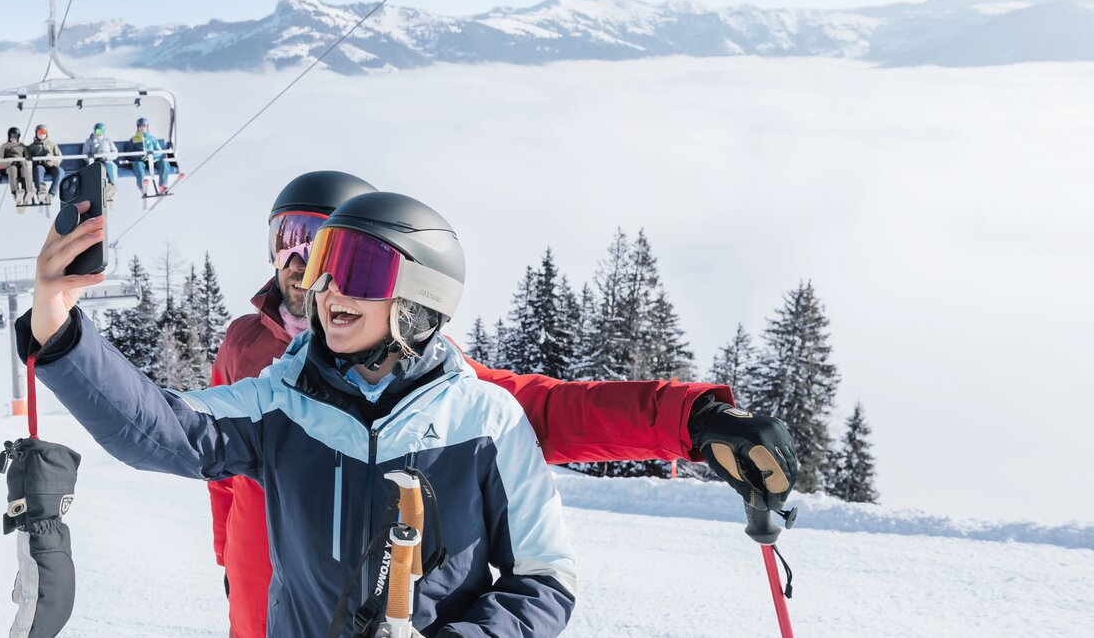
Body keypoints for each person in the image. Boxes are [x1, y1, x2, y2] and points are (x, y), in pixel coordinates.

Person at [211, 171, 800, 638]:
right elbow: (221, 475)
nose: (299, 262)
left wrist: (689, 417)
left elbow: (550, 411)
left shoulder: (424, 377)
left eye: (320, 246)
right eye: (285, 239)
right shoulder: (244, 342)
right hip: (261, 611)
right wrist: (230, 565)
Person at [19, 191, 577, 638]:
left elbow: (544, 578)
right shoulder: (282, 404)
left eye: (357, 271)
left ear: (419, 293)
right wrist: (59, 329)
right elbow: (157, 430)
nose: (329, 288)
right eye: (325, 270)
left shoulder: (485, 421)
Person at [129, 117, 175, 195]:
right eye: (141, 127)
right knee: (138, 165)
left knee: (164, 163)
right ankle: (142, 186)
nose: (143, 128)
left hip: (153, 160)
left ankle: (162, 185)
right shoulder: (133, 139)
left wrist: (153, 156)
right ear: (138, 127)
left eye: (144, 126)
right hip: (141, 161)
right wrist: (139, 157)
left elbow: (159, 151)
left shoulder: (152, 139)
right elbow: (129, 153)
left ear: (147, 127)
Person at [0, 126, 33, 206]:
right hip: (10, 165)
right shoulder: (4, 146)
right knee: (13, 169)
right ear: (9, 136)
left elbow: (28, 157)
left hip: (21, 164)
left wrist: (26, 161)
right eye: (12, 136)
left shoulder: (22, 145)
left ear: (18, 136)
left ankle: (27, 191)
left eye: (16, 136)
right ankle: (16, 193)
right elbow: (0, 160)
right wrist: (9, 162)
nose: (13, 138)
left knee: (25, 169)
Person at [25, 125, 63, 204]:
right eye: (39, 132)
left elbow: (59, 157)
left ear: (46, 133)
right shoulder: (32, 147)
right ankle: (41, 192)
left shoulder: (52, 145)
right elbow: (28, 159)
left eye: (44, 132)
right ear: (36, 133)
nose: (42, 134)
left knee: (60, 171)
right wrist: (39, 161)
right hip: (40, 166)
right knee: (38, 169)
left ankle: (51, 194)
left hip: (51, 166)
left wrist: (52, 161)